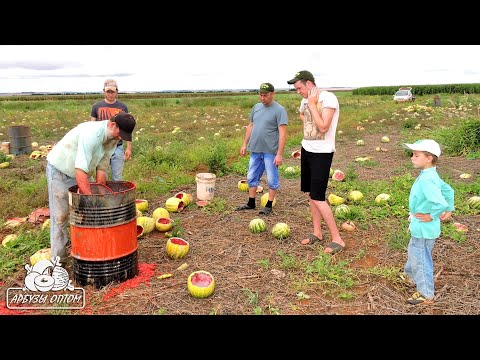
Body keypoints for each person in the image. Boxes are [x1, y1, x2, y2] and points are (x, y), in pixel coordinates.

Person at [46, 112, 136, 262]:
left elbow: (102, 167)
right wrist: (91, 202)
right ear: (113, 124)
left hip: (82, 173)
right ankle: (58, 261)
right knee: (60, 217)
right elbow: (80, 169)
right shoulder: (92, 134)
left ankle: (90, 249)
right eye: (120, 133)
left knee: (88, 212)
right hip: (61, 171)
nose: (120, 138)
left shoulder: (113, 137)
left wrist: (100, 197)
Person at [287, 70, 345, 254]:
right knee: (311, 195)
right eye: (296, 89)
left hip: (323, 152)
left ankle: (338, 239)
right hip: (307, 150)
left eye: (300, 88)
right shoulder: (304, 101)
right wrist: (307, 109)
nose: (298, 92)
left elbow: (323, 126)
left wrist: (312, 104)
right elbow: (303, 115)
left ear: (310, 84)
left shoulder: (328, 99)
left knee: (319, 197)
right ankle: (317, 233)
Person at [401, 139, 454, 305]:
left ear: (429, 158)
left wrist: (433, 215)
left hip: (424, 227)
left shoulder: (426, 180)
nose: (412, 158)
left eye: (416, 155)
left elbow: (440, 203)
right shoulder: (431, 174)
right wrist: (450, 209)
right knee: (415, 250)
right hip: (423, 227)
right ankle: (409, 275)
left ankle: (426, 293)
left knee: (421, 258)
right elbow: (448, 190)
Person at [236, 82, 288, 215]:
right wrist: (244, 144)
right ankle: (251, 202)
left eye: (265, 95)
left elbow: (282, 134)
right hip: (255, 149)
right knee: (251, 176)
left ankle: (269, 205)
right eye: (261, 95)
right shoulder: (256, 107)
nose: (262, 98)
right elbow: (250, 126)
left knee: (271, 179)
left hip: (270, 151)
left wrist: (279, 154)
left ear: (273, 94)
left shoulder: (280, 110)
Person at [90, 79, 132, 181]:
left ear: (117, 91)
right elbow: (92, 127)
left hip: (117, 146)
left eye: (112, 92)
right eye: (108, 91)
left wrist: (128, 148)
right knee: (102, 175)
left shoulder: (122, 107)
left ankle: (117, 196)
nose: (110, 94)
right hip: (102, 146)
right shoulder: (96, 106)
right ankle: (104, 195)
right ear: (104, 91)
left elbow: (127, 128)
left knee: (117, 178)